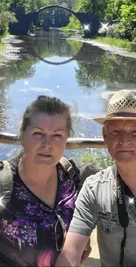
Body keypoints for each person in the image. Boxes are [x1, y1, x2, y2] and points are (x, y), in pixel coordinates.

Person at [55, 89, 136, 267]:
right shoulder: (95, 189)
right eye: (116, 132)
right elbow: (71, 254)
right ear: (105, 136)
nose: (124, 141)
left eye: (134, 133)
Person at [0, 95, 88, 267]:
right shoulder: (4, 183)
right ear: (23, 135)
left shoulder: (70, 175)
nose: (47, 144)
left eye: (57, 135)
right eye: (38, 134)